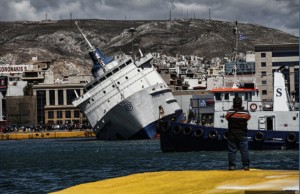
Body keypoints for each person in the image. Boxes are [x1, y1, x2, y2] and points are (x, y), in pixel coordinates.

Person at [225, 96, 251, 170]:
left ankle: (232, 166)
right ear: (241, 103)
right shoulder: (245, 113)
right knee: (244, 151)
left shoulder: (230, 112)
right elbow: (248, 117)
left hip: (232, 134)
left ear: (233, 103)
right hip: (242, 134)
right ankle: (246, 166)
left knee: (232, 151)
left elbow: (226, 118)